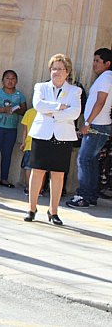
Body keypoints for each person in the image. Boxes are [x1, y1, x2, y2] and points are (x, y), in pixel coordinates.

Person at [24, 54, 81, 226]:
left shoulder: (74, 91)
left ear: (67, 71)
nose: (56, 72)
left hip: (62, 136)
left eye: (60, 69)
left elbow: (75, 112)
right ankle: (31, 209)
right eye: (53, 68)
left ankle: (53, 211)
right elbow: (38, 106)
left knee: (58, 174)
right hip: (43, 134)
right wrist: (59, 107)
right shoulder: (41, 87)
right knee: (37, 172)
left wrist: (52, 111)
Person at [67, 48, 112, 209]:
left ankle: (83, 196)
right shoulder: (105, 78)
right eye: (94, 60)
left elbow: (100, 102)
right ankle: (91, 196)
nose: (94, 64)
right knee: (90, 160)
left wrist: (88, 123)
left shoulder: (106, 78)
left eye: (97, 61)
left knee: (84, 159)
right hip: (98, 124)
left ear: (108, 63)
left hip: (97, 125)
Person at [0, 70, 27, 188]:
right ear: (2, 80)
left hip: (11, 129)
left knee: (7, 154)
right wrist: (3, 110)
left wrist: (16, 109)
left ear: (16, 81)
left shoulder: (20, 95)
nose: (10, 81)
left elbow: (24, 111)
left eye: (13, 78)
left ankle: (4, 179)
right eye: (7, 78)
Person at [20, 107, 38, 195]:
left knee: (28, 167)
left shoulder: (29, 112)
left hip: (29, 144)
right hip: (42, 145)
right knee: (40, 169)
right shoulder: (47, 113)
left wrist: (23, 143)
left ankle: (28, 187)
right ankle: (39, 190)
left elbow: (24, 130)